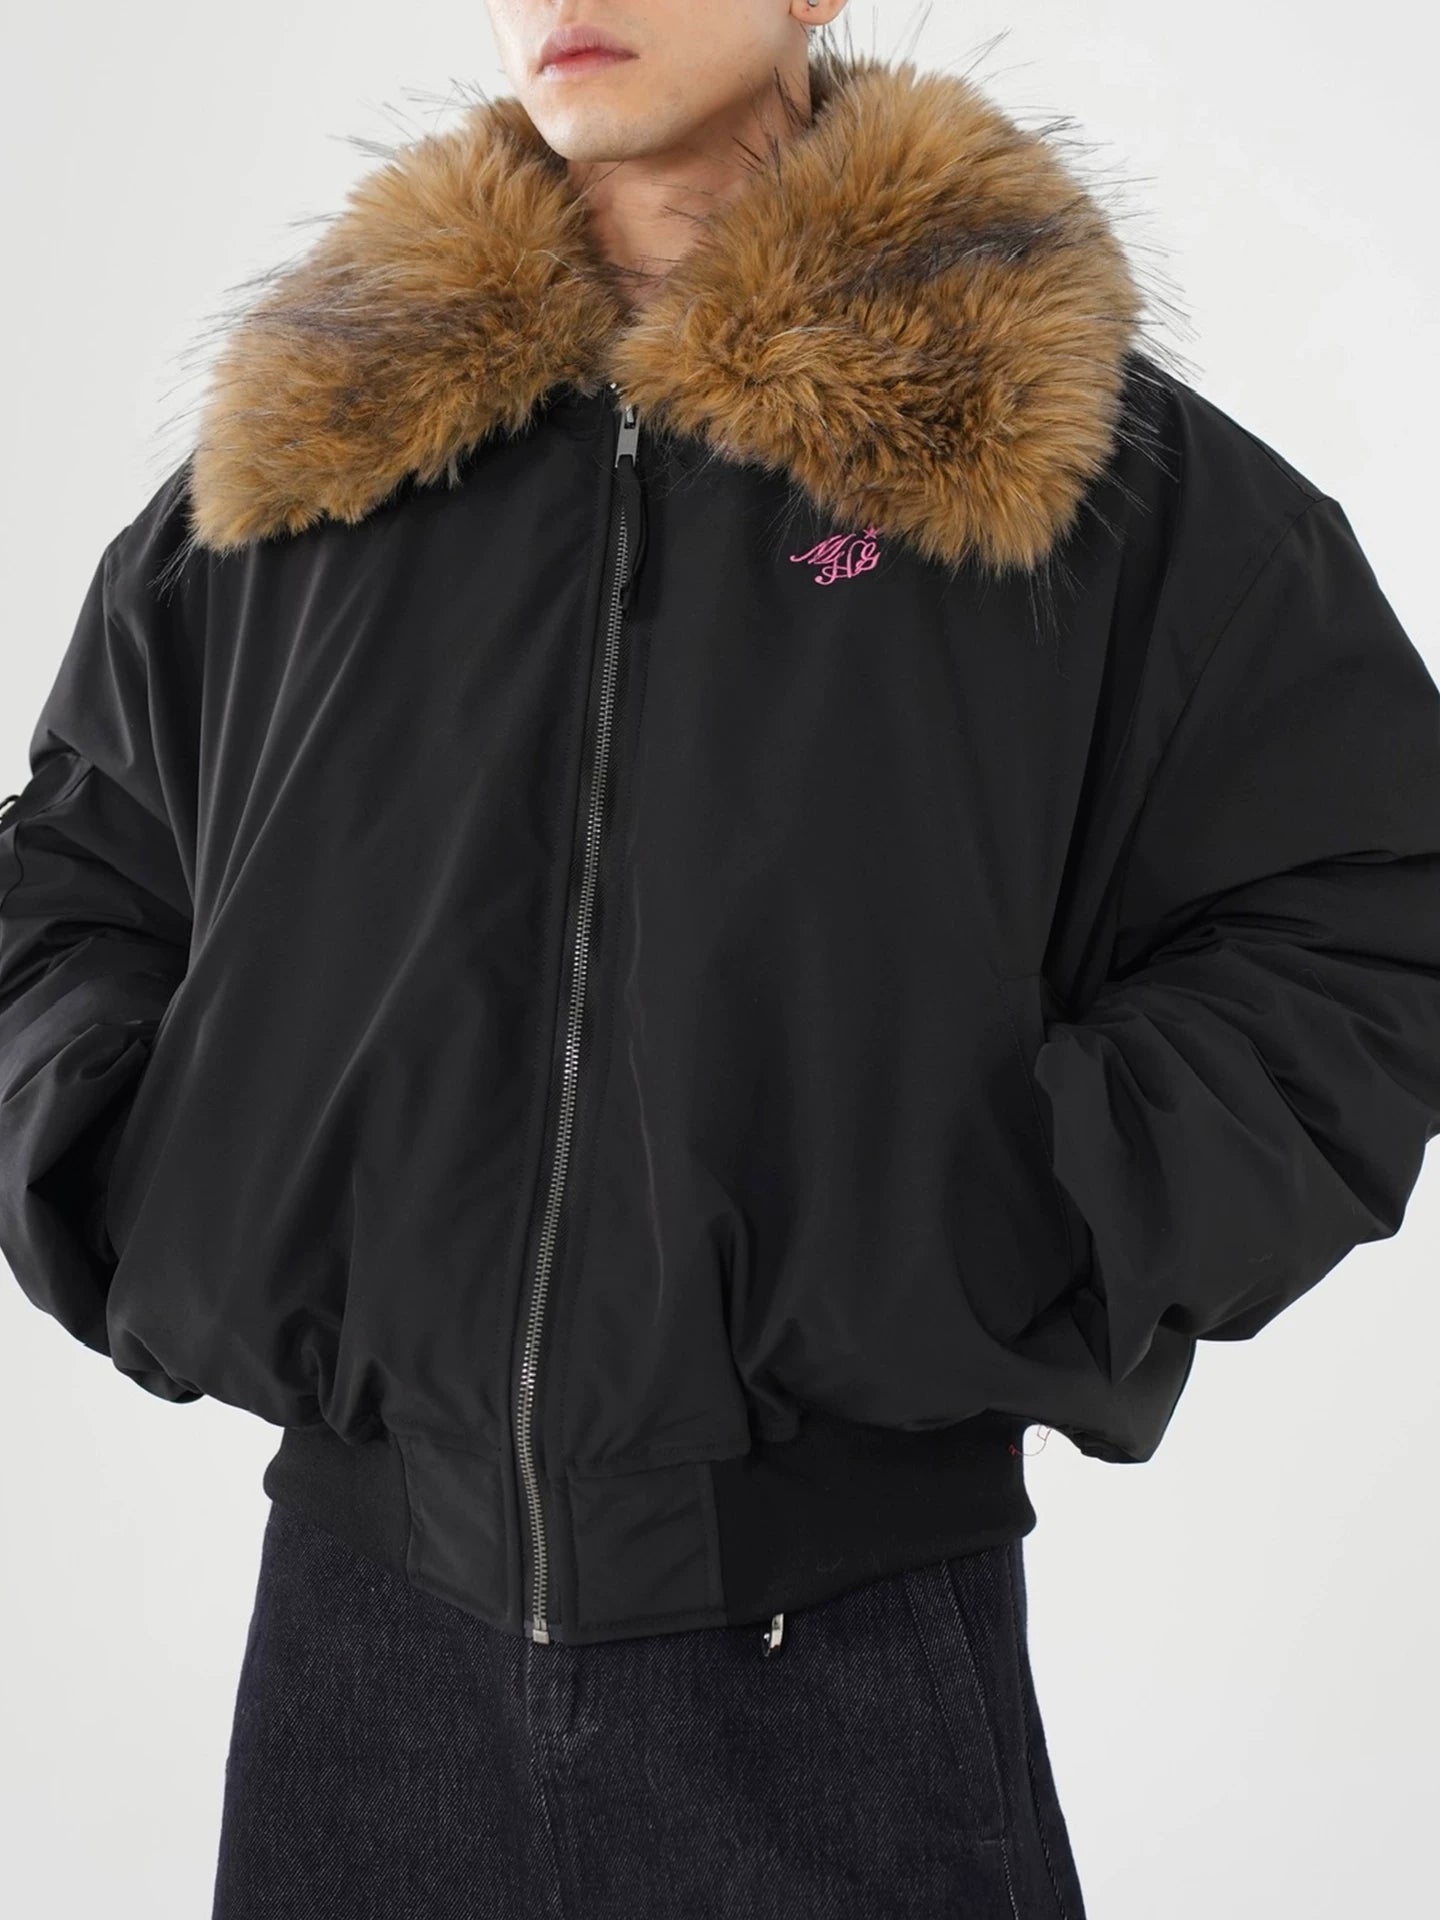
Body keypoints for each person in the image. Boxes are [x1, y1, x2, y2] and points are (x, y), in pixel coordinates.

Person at [2, 2, 1438, 1914]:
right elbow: (68, 889)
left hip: (843, 1666)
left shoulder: (1085, 477)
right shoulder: (305, 476)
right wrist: (165, 1184)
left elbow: (1363, 905)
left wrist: (1009, 1217)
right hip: (360, 1665)